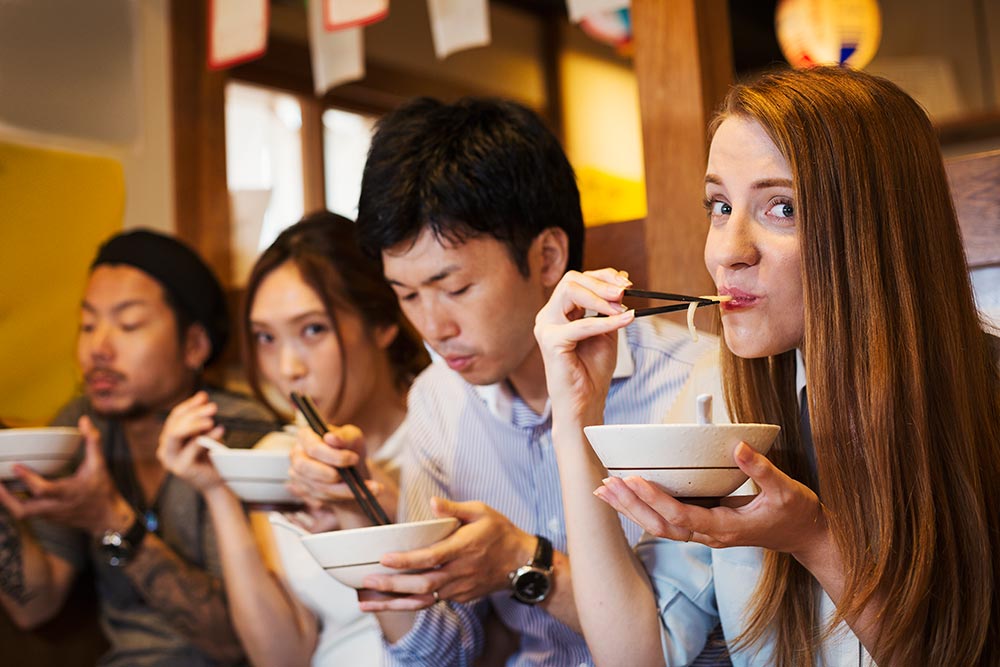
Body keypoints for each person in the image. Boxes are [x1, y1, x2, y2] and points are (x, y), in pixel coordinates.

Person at [533, 66, 1000, 666]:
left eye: (781, 208)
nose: (728, 252)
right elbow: (636, 652)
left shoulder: (983, 400)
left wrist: (812, 536)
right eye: (720, 206)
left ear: (875, 229)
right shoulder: (724, 405)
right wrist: (576, 416)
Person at [289, 96, 717, 666]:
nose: (433, 327)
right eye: (407, 294)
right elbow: (438, 654)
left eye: (456, 288)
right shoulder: (438, 403)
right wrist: (356, 515)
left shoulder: (697, 388)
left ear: (546, 258)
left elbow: (698, 652)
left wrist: (525, 563)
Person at [156, 212, 429, 666]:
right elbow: (282, 655)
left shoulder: (447, 430)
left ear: (383, 321)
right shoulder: (278, 460)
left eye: (312, 330)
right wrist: (220, 493)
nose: (287, 369)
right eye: (265, 337)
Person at [0, 229, 275, 666]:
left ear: (194, 345)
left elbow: (239, 643)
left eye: (128, 324)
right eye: (87, 325)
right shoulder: (79, 428)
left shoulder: (240, 439)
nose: (98, 349)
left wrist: (111, 520)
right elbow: (35, 604)